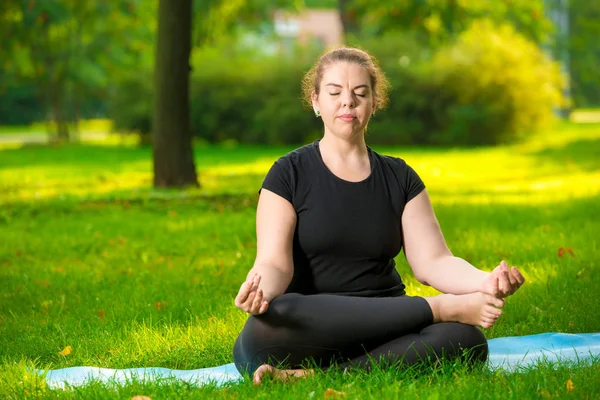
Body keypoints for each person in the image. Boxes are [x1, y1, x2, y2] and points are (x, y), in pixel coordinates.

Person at [232, 47, 525, 385]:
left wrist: (484, 281)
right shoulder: (287, 174)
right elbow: (274, 264)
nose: (348, 102)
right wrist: (261, 290)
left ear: (374, 102)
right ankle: (441, 308)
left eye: (360, 93)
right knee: (268, 327)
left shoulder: (400, 177)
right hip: (313, 324)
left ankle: (309, 377)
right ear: (315, 101)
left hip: (387, 323)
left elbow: (434, 262)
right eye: (334, 92)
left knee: (466, 342)